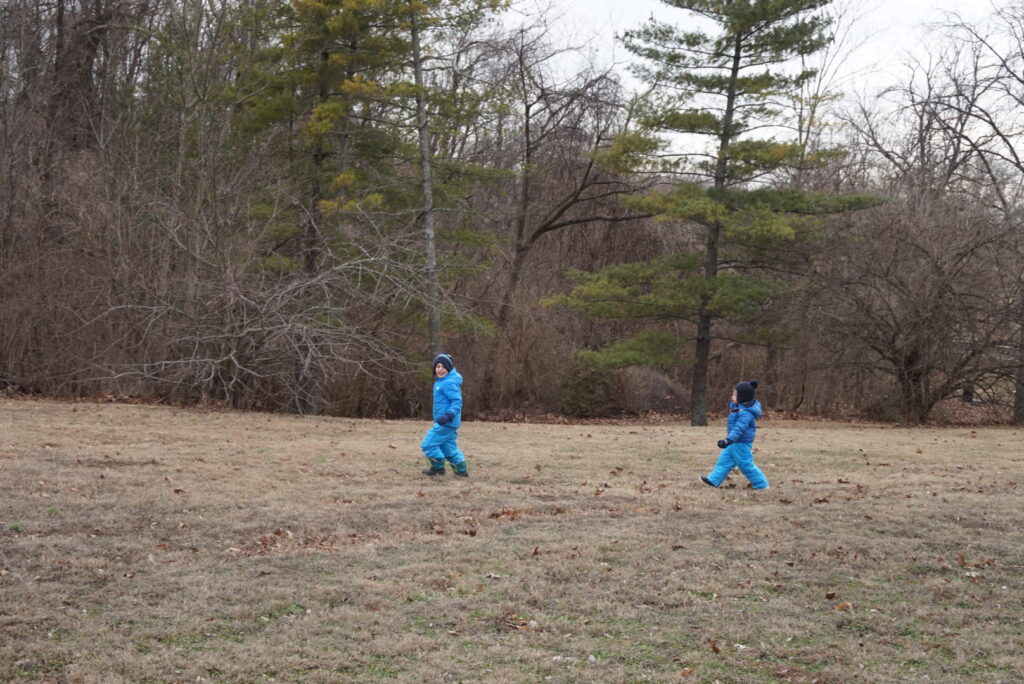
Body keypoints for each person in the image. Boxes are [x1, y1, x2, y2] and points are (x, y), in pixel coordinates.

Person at [701, 380, 769, 490]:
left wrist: (728, 440)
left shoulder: (745, 413)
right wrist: (730, 441)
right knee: (724, 461)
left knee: (746, 465)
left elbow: (739, 429)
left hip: (740, 443)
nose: (732, 397)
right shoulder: (738, 408)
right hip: (734, 442)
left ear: (742, 397)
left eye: (735, 395)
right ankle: (713, 480)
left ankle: (761, 484)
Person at [421, 353, 468, 477]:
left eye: (444, 367)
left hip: (447, 422)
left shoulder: (448, 383)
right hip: (447, 422)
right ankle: (461, 470)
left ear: (449, 368)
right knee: (448, 447)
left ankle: (438, 468)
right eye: (438, 367)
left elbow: (457, 402)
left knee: (428, 444)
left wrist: (448, 415)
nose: (440, 369)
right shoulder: (442, 381)